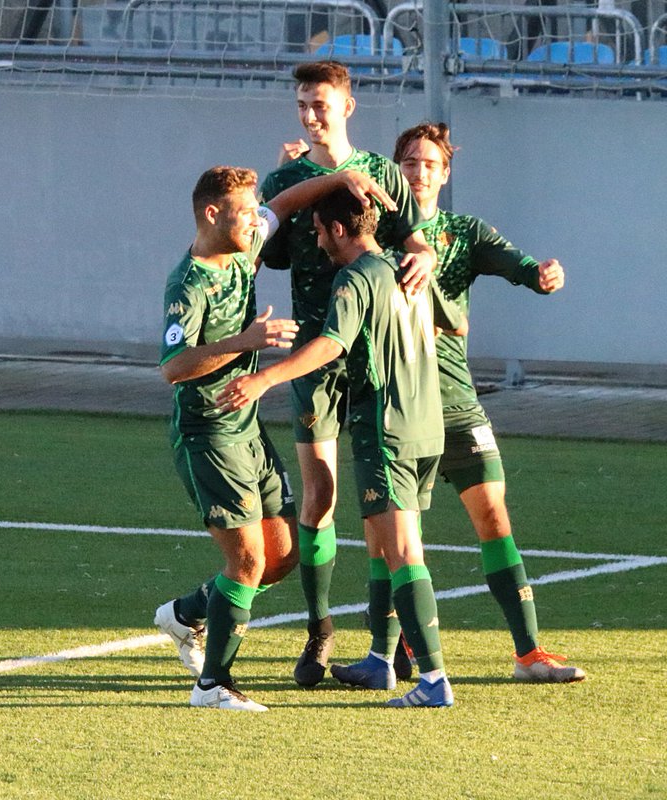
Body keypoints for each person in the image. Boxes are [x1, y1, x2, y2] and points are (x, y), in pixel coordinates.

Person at [329, 122, 582, 685]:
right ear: (394, 170)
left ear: (446, 173)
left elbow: (518, 267)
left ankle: (529, 652)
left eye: (430, 164)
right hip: (393, 405)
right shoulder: (373, 229)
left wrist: (542, 275)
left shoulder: (462, 233)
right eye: (409, 162)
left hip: (455, 400)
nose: (419, 172)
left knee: (493, 512)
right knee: (388, 537)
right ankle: (382, 657)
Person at [154, 165, 397, 711]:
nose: (256, 220)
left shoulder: (243, 245)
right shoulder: (188, 283)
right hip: (208, 432)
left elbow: (284, 203)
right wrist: (249, 340)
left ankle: (188, 613)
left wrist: (345, 177)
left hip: (248, 428)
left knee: (280, 555)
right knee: (245, 561)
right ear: (213, 214)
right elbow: (172, 367)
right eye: (246, 211)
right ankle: (213, 685)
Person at [215, 187, 467, 707]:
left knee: (401, 554)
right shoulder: (406, 267)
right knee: (387, 543)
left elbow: (331, 344)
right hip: (427, 426)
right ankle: (380, 664)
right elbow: (454, 322)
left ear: (336, 229)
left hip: (386, 427)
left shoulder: (354, 278)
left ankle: (434, 681)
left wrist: (265, 381)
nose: (313, 237)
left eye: (317, 229)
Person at [258, 60, 438, 687]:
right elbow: (260, 247)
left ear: (348, 106)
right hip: (314, 355)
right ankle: (319, 629)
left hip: (370, 364)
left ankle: (388, 647)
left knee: (380, 511)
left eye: (322, 104)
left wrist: (426, 258)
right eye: (303, 104)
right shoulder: (287, 178)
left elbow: (420, 240)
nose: (311, 115)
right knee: (320, 496)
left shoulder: (387, 174)